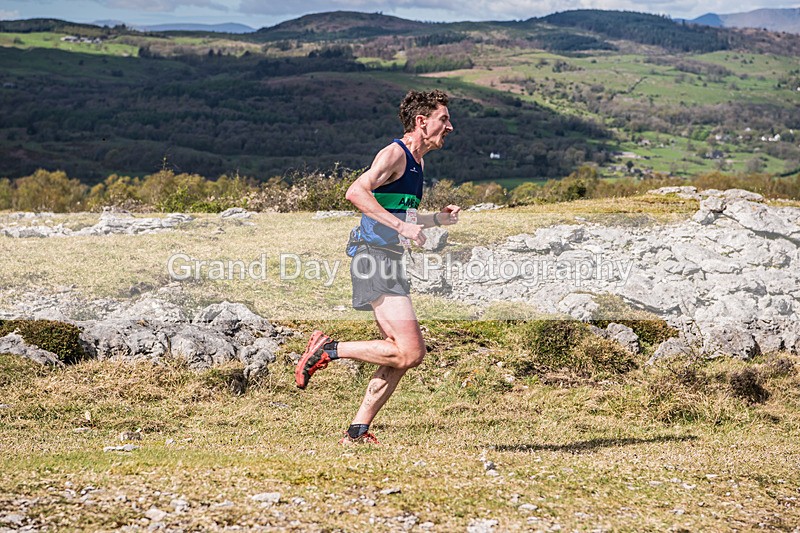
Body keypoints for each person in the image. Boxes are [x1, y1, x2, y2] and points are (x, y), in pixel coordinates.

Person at [295, 89, 460, 445]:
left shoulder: (418, 163)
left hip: (389, 259)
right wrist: (403, 228)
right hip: (374, 257)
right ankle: (328, 350)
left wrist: (436, 220)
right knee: (412, 351)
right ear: (422, 121)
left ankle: (357, 431)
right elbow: (356, 192)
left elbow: (403, 216)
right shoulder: (395, 154)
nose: (450, 127)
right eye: (443, 119)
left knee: (401, 352)